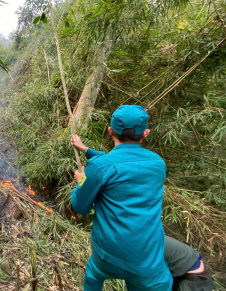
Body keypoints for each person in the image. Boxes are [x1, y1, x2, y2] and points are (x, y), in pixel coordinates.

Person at [70, 105, 172, 290]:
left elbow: (81, 206)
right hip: (147, 259)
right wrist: (84, 148)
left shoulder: (100, 167)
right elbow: (119, 163)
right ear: (146, 133)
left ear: (110, 131)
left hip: (107, 256)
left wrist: (81, 181)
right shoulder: (158, 163)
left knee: (93, 274)